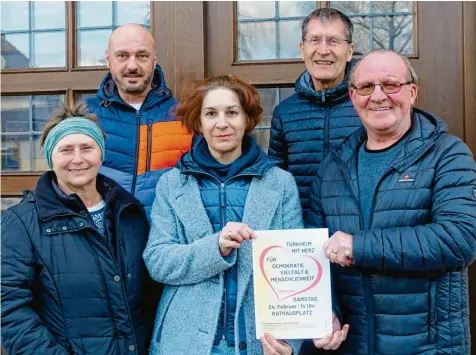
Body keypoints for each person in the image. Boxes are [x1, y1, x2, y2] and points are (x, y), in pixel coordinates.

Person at [143, 75, 346, 355]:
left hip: (260, 341)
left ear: (246, 120)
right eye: (211, 113)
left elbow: (298, 265)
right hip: (185, 340)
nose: (222, 123)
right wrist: (215, 248)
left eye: (232, 112)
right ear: (199, 123)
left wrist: (299, 335)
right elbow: (158, 261)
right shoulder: (172, 184)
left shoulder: (280, 183)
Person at [307, 49, 476, 354]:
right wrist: (324, 312)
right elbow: (317, 253)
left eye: (390, 85)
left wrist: (359, 247)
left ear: (412, 92)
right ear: (352, 96)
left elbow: (459, 239)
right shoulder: (333, 166)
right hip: (353, 343)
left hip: (428, 345)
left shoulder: (448, 154)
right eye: (366, 87)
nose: (378, 96)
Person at [1, 103, 158, 354]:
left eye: (87, 148)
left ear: (101, 153)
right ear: (51, 157)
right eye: (66, 150)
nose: (77, 159)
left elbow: (150, 299)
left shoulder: (129, 213)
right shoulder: (20, 223)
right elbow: (8, 307)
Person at [86, 23, 192, 217]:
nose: (132, 66)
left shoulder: (184, 117)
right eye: (122, 56)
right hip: (101, 239)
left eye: (142, 56)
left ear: (154, 60)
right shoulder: (86, 117)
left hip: (163, 240)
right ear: (108, 59)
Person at [268, 8, 362, 219]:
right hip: (302, 236)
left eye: (333, 41)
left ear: (349, 51)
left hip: (358, 235)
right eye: (315, 40)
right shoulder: (284, 113)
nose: (323, 50)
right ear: (302, 49)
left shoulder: (368, 104)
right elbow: (274, 184)